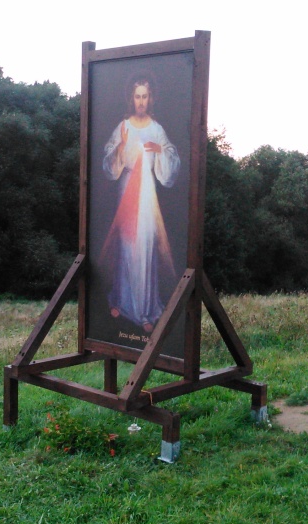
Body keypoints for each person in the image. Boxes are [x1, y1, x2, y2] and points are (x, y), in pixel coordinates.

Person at [100, 73, 181, 333]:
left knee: (145, 246)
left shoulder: (156, 129)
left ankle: (144, 311)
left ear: (151, 98)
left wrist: (159, 151)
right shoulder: (123, 126)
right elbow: (109, 165)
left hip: (147, 196)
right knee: (126, 248)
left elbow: (170, 158)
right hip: (126, 195)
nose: (141, 101)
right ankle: (122, 303)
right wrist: (122, 146)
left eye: (145, 96)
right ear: (131, 98)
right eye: (137, 96)